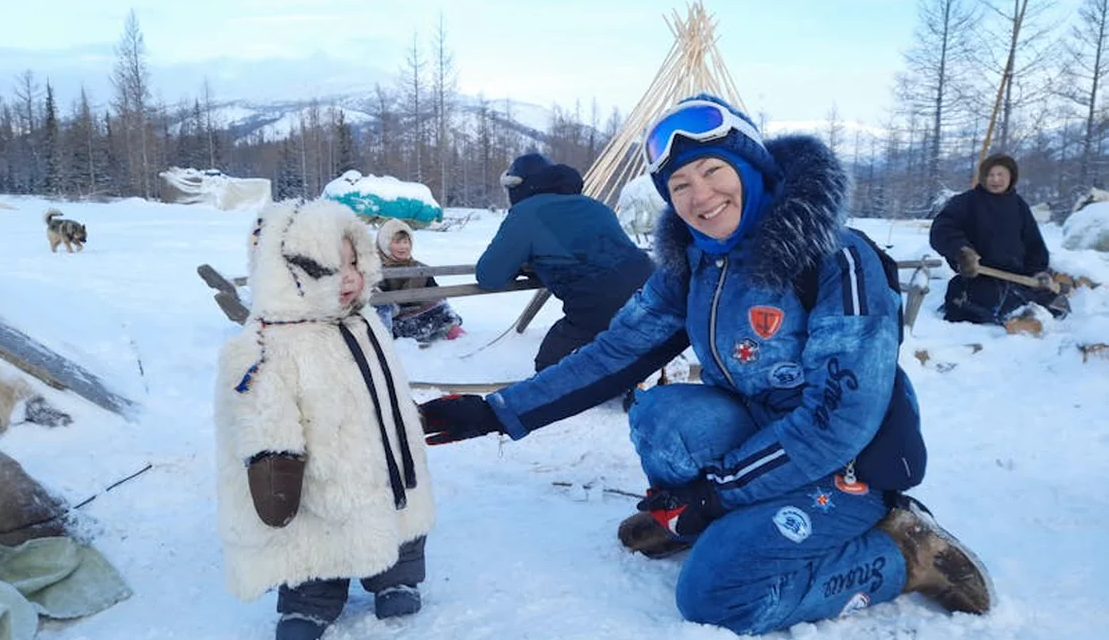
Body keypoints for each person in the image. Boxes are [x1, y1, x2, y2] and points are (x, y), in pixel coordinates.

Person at [418, 95, 992, 635]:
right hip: (761, 434)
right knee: (658, 416)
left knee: (718, 597)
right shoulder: (695, 263)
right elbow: (616, 352)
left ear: (752, 167)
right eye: (680, 184)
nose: (700, 195)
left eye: (713, 170)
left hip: (846, 460)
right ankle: (712, 519)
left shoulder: (836, 257)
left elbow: (839, 420)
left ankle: (903, 552)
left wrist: (717, 492)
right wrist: (498, 412)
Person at [213, 198, 435, 640]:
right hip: (314, 470)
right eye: (333, 266)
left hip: (384, 460)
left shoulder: (363, 321)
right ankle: (309, 600)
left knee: (400, 508)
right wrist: (272, 460)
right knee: (312, 526)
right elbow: (260, 409)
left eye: (355, 261)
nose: (351, 278)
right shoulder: (267, 341)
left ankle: (396, 576)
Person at [477, 152, 654, 372]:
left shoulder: (526, 213)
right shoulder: (596, 206)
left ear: (519, 187)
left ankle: (626, 375)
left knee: (551, 370)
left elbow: (489, 276)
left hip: (598, 304)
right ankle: (642, 364)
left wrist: (526, 264)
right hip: (650, 293)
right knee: (621, 336)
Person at [929, 153, 1069, 324]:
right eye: (990, 175)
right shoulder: (966, 202)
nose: (995, 180)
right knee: (990, 305)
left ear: (1011, 177)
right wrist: (962, 252)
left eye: (1000, 174)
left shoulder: (1018, 205)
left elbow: (1034, 244)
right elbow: (941, 230)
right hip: (980, 277)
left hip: (1018, 279)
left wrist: (1038, 271)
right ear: (983, 177)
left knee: (1054, 306)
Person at [374, 218, 466, 345]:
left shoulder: (420, 268)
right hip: (395, 322)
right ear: (385, 244)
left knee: (441, 308)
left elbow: (436, 294)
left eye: (406, 242)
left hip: (422, 315)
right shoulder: (375, 269)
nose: (403, 247)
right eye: (397, 242)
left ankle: (461, 340)